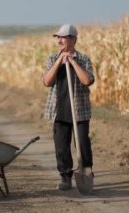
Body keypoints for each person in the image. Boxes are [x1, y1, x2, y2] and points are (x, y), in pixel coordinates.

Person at [41, 24, 95, 190]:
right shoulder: (52, 58)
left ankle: (86, 172)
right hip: (59, 110)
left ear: (73, 39)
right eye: (58, 37)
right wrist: (59, 61)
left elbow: (87, 80)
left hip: (80, 110)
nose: (60, 40)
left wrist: (72, 61)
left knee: (83, 144)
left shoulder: (84, 59)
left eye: (63, 37)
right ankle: (65, 177)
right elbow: (47, 81)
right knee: (61, 147)